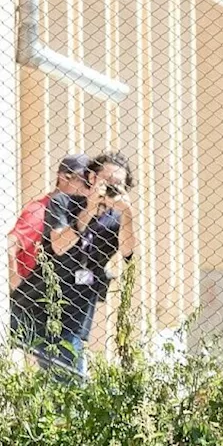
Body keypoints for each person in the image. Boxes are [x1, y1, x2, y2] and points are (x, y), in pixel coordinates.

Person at [36, 151, 138, 379]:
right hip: (45, 304)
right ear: (92, 178)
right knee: (68, 378)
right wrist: (90, 209)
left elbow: (128, 252)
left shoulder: (116, 218)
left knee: (65, 378)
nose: (111, 188)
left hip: (79, 311)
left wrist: (127, 214)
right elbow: (59, 246)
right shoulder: (62, 202)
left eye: (118, 185)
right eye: (107, 182)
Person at [7, 153, 91, 362]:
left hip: (62, 307)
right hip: (38, 303)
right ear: (64, 177)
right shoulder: (41, 210)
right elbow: (10, 243)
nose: (88, 186)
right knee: (67, 375)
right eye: (83, 180)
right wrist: (15, 281)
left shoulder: (77, 212)